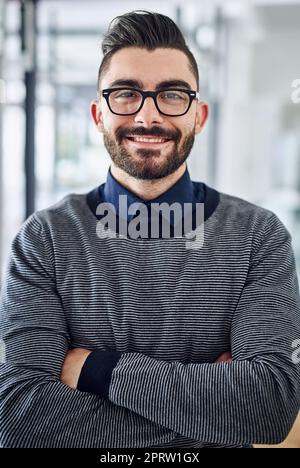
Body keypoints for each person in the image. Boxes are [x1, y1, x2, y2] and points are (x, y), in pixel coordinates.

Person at [0, 10, 300, 449]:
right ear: (97, 113)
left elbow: (270, 407)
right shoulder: (44, 239)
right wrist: (211, 413)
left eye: (172, 95)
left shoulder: (258, 236)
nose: (147, 116)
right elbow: (18, 418)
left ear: (199, 116)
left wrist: (92, 370)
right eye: (125, 94)